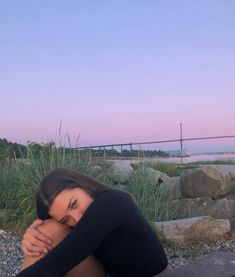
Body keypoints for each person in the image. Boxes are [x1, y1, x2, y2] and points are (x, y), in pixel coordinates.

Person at [18, 167, 169, 277]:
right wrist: (33, 234)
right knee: (46, 231)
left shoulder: (111, 202)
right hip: (109, 272)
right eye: (66, 219)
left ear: (82, 185)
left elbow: (56, 264)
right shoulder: (85, 218)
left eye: (74, 204)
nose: (77, 219)